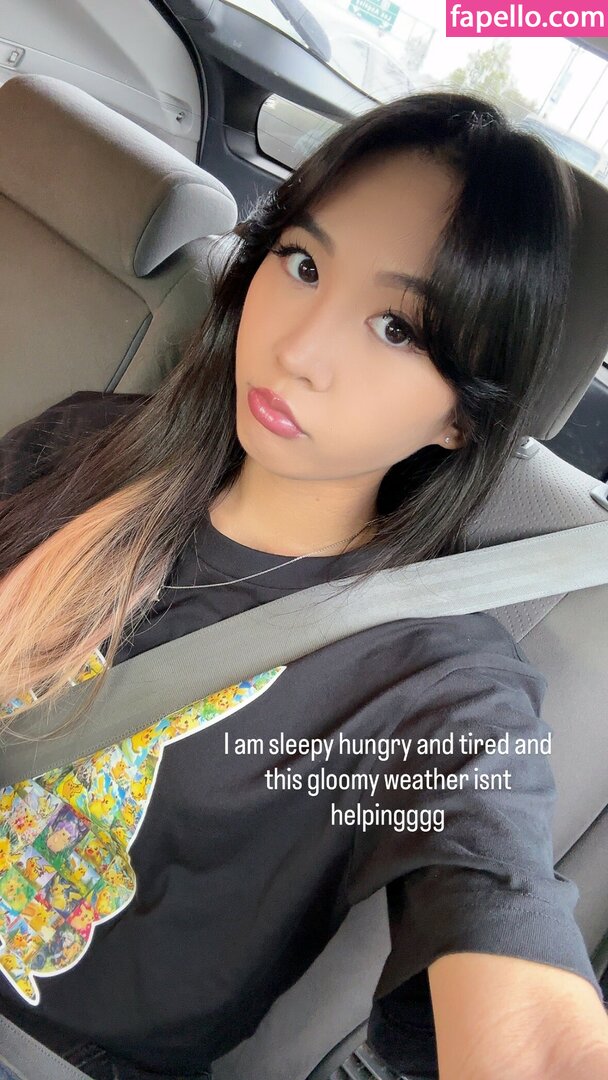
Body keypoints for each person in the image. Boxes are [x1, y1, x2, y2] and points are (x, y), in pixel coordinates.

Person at [0, 90, 607, 1080]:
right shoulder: (86, 447)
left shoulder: (436, 688)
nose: (300, 350)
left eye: (397, 328)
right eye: (304, 264)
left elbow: (502, 911)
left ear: (462, 417)